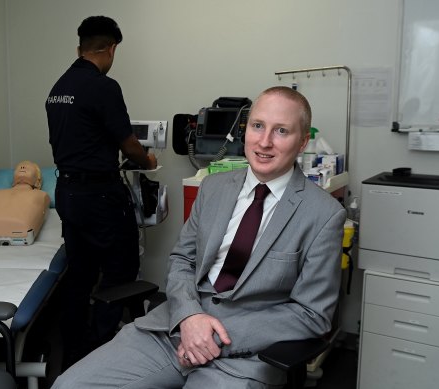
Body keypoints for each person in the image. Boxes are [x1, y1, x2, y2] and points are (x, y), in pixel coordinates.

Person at [51, 86, 346, 389]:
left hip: (246, 356)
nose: (264, 141)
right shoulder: (213, 187)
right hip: (174, 327)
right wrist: (190, 318)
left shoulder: (322, 214)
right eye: (258, 126)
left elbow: (312, 315)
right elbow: (182, 260)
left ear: (302, 142)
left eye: (281, 131)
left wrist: (212, 335)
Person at [45, 16, 158, 369]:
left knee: (80, 271)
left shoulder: (58, 87)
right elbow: (129, 144)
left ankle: (74, 351)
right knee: (121, 268)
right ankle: (105, 350)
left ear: (80, 46)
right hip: (100, 195)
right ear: (110, 48)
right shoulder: (103, 87)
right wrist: (148, 160)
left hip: (67, 191)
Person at [0, 161, 50, 245]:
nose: (22, 167)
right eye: (19, 167)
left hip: (23, 234)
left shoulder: (41, 195)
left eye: (28, 167)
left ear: (38, 180)